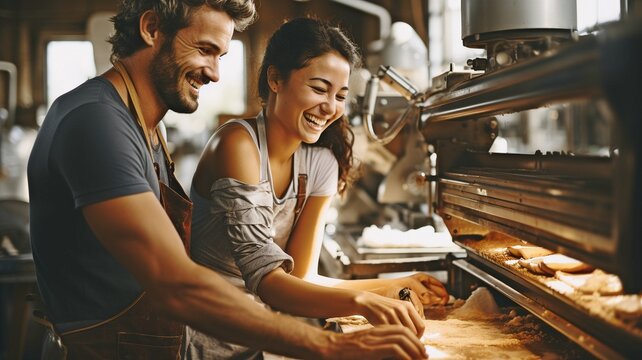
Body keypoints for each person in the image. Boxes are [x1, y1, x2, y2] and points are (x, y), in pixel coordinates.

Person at [26, 1, 429, 359]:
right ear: (151, 29)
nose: (216, 73)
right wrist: (332, 345)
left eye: (221, 55)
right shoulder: (97, 122)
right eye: (204, 50)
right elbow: (176, 282)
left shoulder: (144, 128)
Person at [188, 17, 448, 359]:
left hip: (254, 343)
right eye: (319, 87)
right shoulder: (237, 144)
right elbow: (267, 282)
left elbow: (301, 277)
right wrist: (364, 301)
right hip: (199, 342)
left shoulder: (320, 163)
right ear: (276, 79)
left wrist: (391, 286)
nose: (330, 107)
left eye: (340, 95)